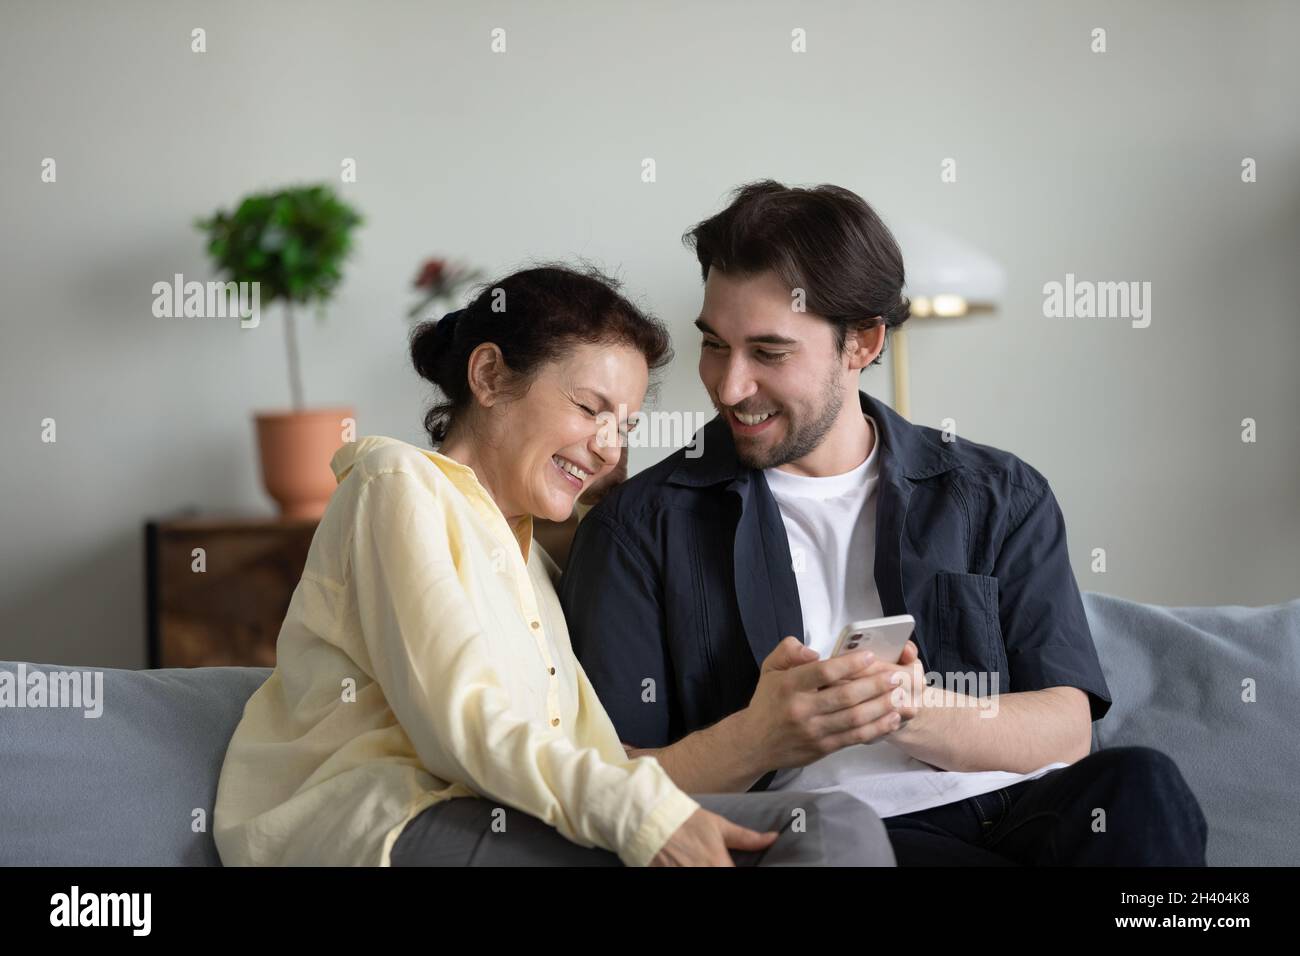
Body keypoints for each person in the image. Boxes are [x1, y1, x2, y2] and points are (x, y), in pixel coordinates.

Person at [559, 182, 1209, 866]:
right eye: (715, 345)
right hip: (836, 834)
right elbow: (613, 779)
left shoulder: (998, 495)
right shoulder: (641, 528)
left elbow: (1066, 728)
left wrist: (911, 707)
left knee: (1142, 784)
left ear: (863, 342)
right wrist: (765, 735)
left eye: (770, 353)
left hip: (1017, 815)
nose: (728, 386)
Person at [212, 262, 895, 867]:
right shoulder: (397, 484)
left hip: (502, 814)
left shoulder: (532, 559)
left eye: (623, 428)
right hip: (382, 824)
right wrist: (642, 819)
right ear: (488, 375)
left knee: (827, 824)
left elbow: (587, 759)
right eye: (590, 409)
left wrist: (762, 726)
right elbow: (465, 730)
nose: (607, 448)